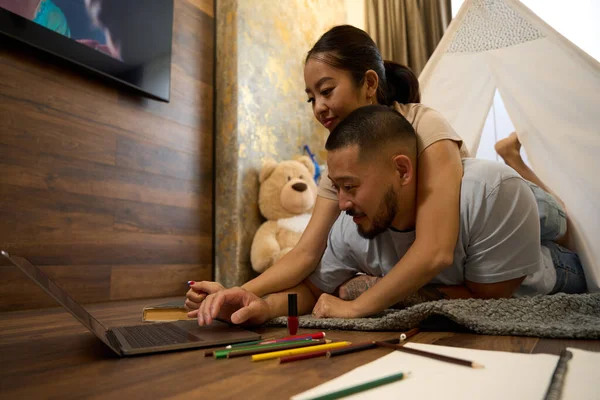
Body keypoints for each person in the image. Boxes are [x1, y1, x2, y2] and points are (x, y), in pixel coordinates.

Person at [189, 106, 587, 326]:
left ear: (402, 170)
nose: (340, 203)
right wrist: (262, 304)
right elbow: (311, 292)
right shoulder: (352, 224)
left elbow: (483, 303)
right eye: (336, 188)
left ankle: (516, 160)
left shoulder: (488, 192)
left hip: (546, 260)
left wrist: (364, 291)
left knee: (559, 220)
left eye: (350, 186)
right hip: (480, 249)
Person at [186, 25, 470, 320]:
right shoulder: (341, 168)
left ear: (369, 84)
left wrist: (358, 306)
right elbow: (305, 253)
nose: (319, 108)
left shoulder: (426, 128)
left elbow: (436, 249)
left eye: (326, 91)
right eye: (311, 98)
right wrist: (237, 292)